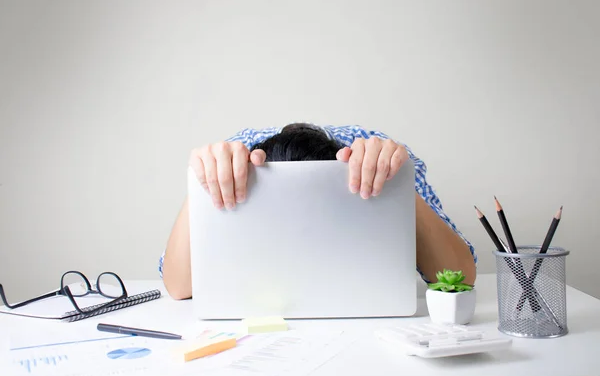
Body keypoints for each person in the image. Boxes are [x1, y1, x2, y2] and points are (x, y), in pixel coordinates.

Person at [160, 123, 477, 300]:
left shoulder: (382, 155)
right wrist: (200, 184)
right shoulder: (227, 161)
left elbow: (459, 276)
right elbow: (179, 287)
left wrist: (400, 185)